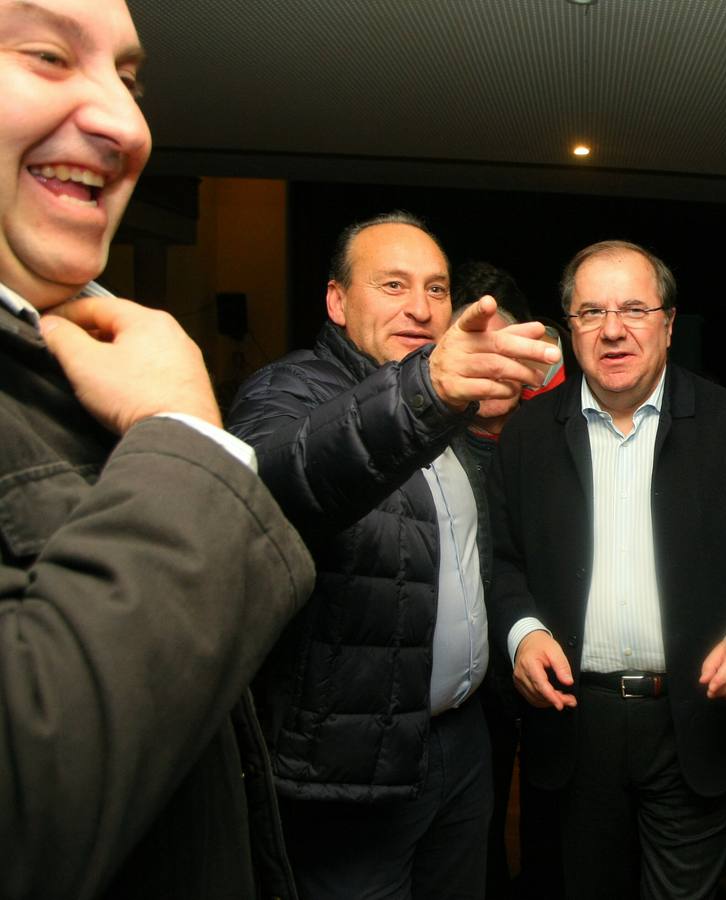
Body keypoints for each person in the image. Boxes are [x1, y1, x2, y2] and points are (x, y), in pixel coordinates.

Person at [0, 0, 316, 896]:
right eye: (48, 55)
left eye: (130, 81)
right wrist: (184, 435)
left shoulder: (69, 361)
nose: (125, 122)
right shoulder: (256, 391)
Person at [226, 212, 560, 900]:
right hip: (349, 766)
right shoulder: (285, 391)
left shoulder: (450, 410)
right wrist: (426, 390)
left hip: (461, 742)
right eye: (393, 285)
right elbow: (280, 484)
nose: (419, 307)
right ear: (336, 300)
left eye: (437, 290)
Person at [488, 239, 726, 899]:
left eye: (634, 309)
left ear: (670, 323)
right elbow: (501, 559)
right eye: (592, 312)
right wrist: (522, 632)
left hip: (695, 722)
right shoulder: (528, 436)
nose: (614, 329)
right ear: (569, 328)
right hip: (575, 724)